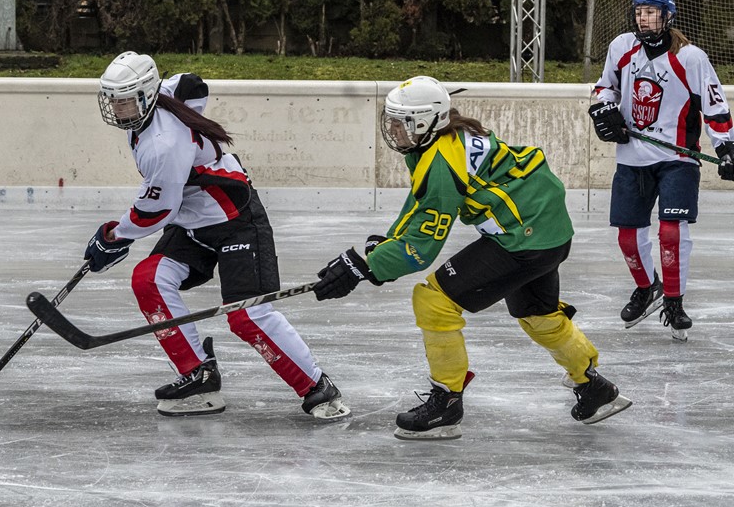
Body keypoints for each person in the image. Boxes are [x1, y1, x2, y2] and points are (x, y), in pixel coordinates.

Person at [312, 76, 631, 440]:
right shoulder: (446, 138)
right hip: (549, 231)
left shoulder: (441, 159)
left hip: (523, 239)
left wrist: (365, 266)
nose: (393, 130)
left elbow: (421, 248)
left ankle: (446, 403)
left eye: (401, 122)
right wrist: (387, 244)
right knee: (538, 315)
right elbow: (421, 203)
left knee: (433, 300)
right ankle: (593, 387)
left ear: (425, 121)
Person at [86, 51, 350, 421]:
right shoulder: (163, 97)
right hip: (194, 224)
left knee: (247, 316)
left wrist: (115, 236)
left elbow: (155, 212)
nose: (116, 108)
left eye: (124, 99)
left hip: (236, 220)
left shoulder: (163, 144)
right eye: (112, 99)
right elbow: (193, 83)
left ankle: (317, 387)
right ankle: (198, 374)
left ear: (146, 95)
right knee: (149, 280)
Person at [590, 0, 733, 341]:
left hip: (677, 159)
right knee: (627, 238)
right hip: (632, 158)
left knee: (671, 232)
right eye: (639, 12)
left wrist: (727, 148)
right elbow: (604, 88)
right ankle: (647, 287)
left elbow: (714, 107)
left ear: (668, 16)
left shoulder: (690, 57)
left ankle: (674, 301)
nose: (644, 18)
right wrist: (605, 110)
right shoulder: (621, 48)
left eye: (652, 12)